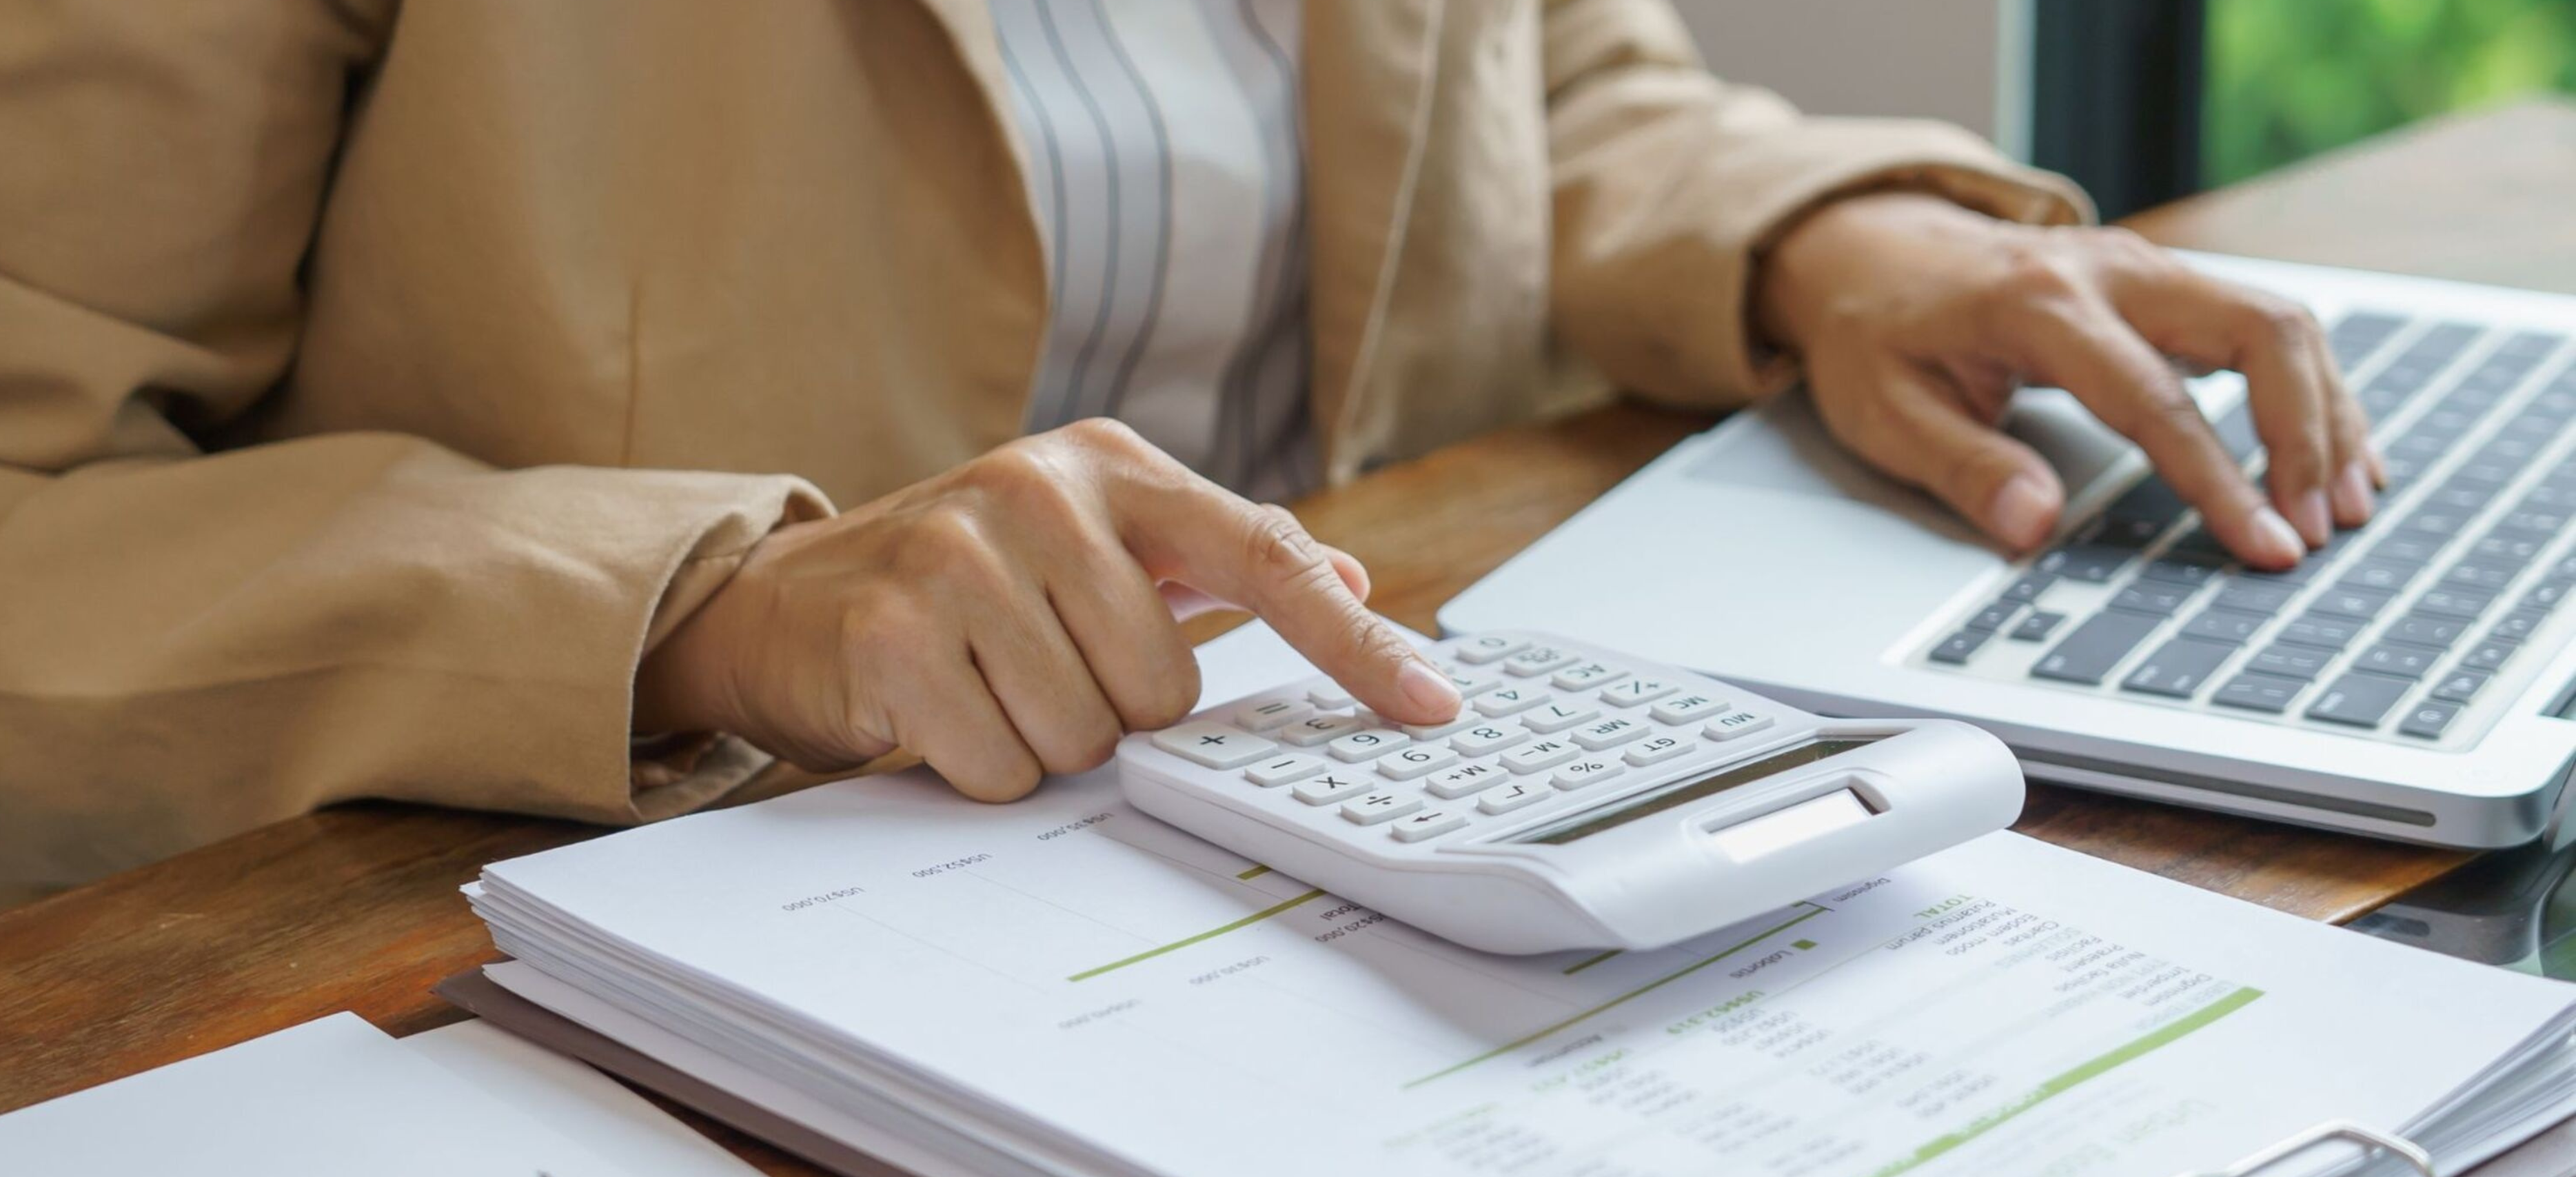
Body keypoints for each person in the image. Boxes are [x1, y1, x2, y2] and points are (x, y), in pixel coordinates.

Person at [0, 0, 2375, 907]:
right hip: (645, 917)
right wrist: (710, 602)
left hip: (1400, 840)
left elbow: (1542, 89)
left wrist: (1823, 237)